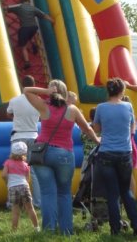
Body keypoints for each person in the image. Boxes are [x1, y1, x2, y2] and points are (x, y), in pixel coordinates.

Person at [24, 80, 100, 235]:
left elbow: (26, 90)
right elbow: (86, 128)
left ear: (52, 92)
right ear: (65, 93)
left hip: (42, 154)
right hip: (64, 154)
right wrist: (98, 141)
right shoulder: (72, 110)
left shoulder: (44, 107)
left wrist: (46, 91)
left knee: (47, 193)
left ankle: (49, 230)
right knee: (64, 193)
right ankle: (66, 230)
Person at [92, 78, 137, 236]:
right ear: (122, 91)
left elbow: (97, 128)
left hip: (106, 152)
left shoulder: (101, 107)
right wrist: (130, 132)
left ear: (108, 91)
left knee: (112, 194)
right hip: (124, 153)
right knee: (126, 191)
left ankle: (115, 229)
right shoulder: (128, 106)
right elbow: (132, 124)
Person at [7, 75, 41, 207]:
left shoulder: (15, 101)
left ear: (22, 86)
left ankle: (13, 202)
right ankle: (37, 202)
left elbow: (8, 113)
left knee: (15, 169)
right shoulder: (38, 101)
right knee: (34, 171)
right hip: (33, 136)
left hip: (18, 136)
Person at [4, 0, 54, 69]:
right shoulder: (33, 8)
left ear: (21, 1)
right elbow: (44, 15)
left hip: (24, 28)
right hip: (34, 27)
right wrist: (52, 21)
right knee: (29, 35)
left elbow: (6, 8)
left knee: (23, 46)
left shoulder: (19, 6)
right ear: (28, 1)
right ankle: (33, 44)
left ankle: (27, 62)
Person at [1, 141, 40, 232]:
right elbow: (28, 179)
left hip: (13, 188)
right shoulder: (26, 165)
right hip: (24, 186)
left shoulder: (8, 163)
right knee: (30, 208)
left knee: (15, 211)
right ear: (25, 153)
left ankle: (14, 230)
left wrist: (7, 182)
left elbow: (3, 175)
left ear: (12, 152)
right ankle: (36, 228)